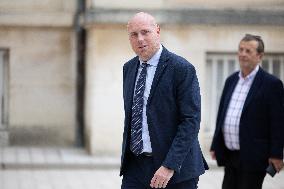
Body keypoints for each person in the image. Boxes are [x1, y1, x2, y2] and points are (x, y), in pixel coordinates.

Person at [120, 12, 208, 189]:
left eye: (145, 32)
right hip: (136, 168)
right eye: (134, 34)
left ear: (157, 31)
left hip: (175, 170)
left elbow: (190, 121)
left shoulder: (181, 68)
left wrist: (169, 165)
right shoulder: (129, 68)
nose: (140, 39)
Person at [210, 34, 284, 189]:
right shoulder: (231, 80)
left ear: (260, 56)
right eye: (241, 49)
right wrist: (216, 143)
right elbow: (222, 113)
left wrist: (277, 154)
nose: (243, 54)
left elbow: (278, 122)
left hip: (254, 156)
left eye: (248, 51)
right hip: (230, 155)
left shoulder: (272, 84)